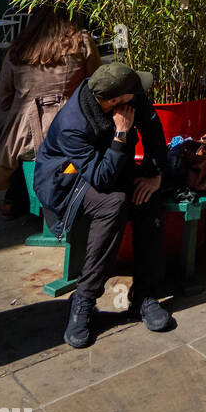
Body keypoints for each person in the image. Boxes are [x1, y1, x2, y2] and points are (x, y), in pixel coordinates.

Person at [34, 62, 173, 349]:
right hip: (68, 180)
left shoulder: (130, 94)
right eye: (131, 94)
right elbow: (100, 177)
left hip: (110, 166)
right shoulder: (74, 124)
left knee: (148, 198)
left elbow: (154, 131)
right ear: (113, 101)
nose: (138, 95)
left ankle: (144, 296)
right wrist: (122, 134)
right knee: (114, 204)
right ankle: (84, 300)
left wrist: (155, 175)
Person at [0, 7, 100, 218]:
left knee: (9, 137)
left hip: (25, 138)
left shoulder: (16, 50)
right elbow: (95, 88)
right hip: (70, 131)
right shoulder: (82, 42)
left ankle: (13, 198)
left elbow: (4, 102)